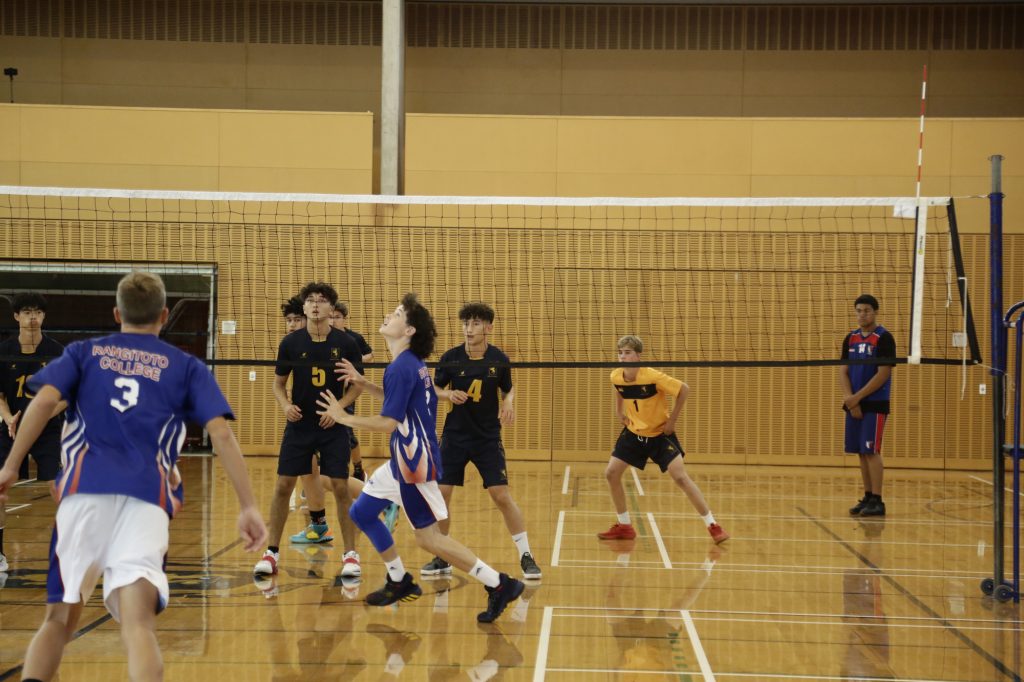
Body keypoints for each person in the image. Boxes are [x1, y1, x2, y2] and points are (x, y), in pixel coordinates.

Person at [0, 271, 267, 682]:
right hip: (147, 499)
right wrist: (249, 505)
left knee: (57, 621)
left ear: (115, 313)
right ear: (163, 315)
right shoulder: (186, 366)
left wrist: (11, 465)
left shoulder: (83, 353)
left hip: (83, 494)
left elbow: (42, 403)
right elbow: (223, 434)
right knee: (138, 625)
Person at [320, 293, 525, 623]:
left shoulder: (402, 368)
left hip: (413, 463)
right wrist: (364, 384)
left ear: (409, 330)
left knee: (428, 538)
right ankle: (399, 579)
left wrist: (344, 418)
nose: (389, 314)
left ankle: (499, 583)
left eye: (398, 313)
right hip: (405, 457)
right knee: (361, 511)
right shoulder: (410, 365)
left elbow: (389, 422)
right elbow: (402, 402)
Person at [421, 302, 540, 580]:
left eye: (475, 324)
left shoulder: (498, 359)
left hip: (487, 438)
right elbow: (433, 387)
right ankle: (443, 556)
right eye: (465, 324)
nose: (468, 329)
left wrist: (508, 403)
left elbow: (508, 389)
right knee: (443, 495)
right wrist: (447, 395)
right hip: (454, 437)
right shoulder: (451, 357)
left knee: (501, 496)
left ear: (488, 327)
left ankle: (526, 556)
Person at [255, 282, 365, 581]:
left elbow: (357, 386)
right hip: (299, 425)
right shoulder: (290, 343)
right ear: (304, 308)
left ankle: (351, 555)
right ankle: (271, 552)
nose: (316, 305)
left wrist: (338, 409)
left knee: (341, 488)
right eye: (311, 301)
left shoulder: (346, 343)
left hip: (332, 426)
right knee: (282, 486)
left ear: (332, 309)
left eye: (322, 300)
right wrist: (284, 405)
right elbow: (278, 384)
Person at [597, 335, 729, 544]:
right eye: (620, 353)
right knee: (611, 473)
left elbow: (683, 389)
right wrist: (619, 412)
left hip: (659, 434)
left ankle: (713, 525)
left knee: (680, 477)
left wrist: (672, 422)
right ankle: (624, 526)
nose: (622, 357)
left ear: (638, 356)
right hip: (634, 434)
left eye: (627, 353)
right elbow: (619, 390)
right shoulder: (615, 375)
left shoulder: (651, 376)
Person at [0, 293, 67, 573]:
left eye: (37, 312)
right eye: (26, 312)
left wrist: (39, 417)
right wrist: (8, 418)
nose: (32, 317)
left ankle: (70, 551)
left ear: (43, 316)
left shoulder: (57, 351)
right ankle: (0, 554)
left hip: (48, 429)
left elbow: (68, 394)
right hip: (11, 428)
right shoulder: (4, 350)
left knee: (62, 489)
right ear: (16, 316)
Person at [840, 294, 896, 517]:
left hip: (875, 402)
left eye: (867, 310)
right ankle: (867, 496)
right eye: (859, 310)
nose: (862, 315)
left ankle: (878, 500)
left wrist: (857, 398)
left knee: (872, 450)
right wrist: (849, 398)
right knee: (861, 452)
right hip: (854, 403)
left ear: (875, 312)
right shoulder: (850, 338)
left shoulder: (884, 338)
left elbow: (883, 374)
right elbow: (843, 371)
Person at [329, 301, 373, 481]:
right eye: (330, 317)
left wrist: (352, 363)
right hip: (327, 389)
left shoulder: (353, 338)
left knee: (346, 432)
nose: (333, 321)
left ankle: (357, 468)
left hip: (347, 390)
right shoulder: (322, 337)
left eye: (337, 317)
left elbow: (370, 355)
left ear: (344, 319)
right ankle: (318, 476)